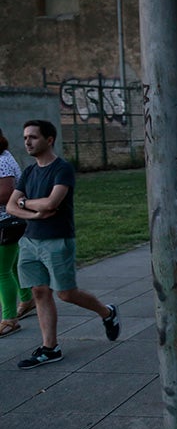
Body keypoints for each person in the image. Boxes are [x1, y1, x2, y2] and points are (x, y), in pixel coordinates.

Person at [6, 120, 121, 368]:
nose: (27, 142)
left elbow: (52, 203)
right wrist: (32, 212)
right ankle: (50, 348)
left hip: (57, 240)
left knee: (66, 293)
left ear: (49, 140)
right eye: (25, 137)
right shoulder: (28, 172)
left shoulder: (62, 169)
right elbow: (11, 206)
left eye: (33, 137)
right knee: (39, 292)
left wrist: (27, 204)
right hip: (30, 241)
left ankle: (107, 313)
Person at [1, 127, 33, 337]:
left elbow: (5, 195)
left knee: (1, 271)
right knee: (12, 265)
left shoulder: (1, 161)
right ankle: (27, 299)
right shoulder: (3, 156)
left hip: (6, 221)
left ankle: (9, 318)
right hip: (11, 221)